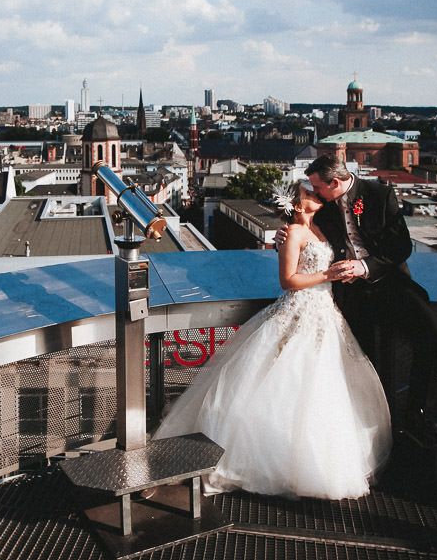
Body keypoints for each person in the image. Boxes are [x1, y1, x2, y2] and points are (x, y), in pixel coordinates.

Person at [154, 180, 391, 500]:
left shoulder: (323, 228)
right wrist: (327, 275)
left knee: (320, 384)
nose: (316, 197)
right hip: (300, 310)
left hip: (324, 313)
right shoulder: (293, 233)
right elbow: (288, 280)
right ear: (296, 203)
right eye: (309, 194)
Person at [277, 154, 437, 446]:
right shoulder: (324, 204)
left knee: (434, 335)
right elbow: (304, 231)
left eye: (319, 187)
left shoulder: (379, 194)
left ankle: (417, 413)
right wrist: (284, 233)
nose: (315, 193)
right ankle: (384, 433)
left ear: (335, 182)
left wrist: (365, 267)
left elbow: (401, 246)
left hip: (391, 283)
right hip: (352, 294)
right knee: (376, 364)